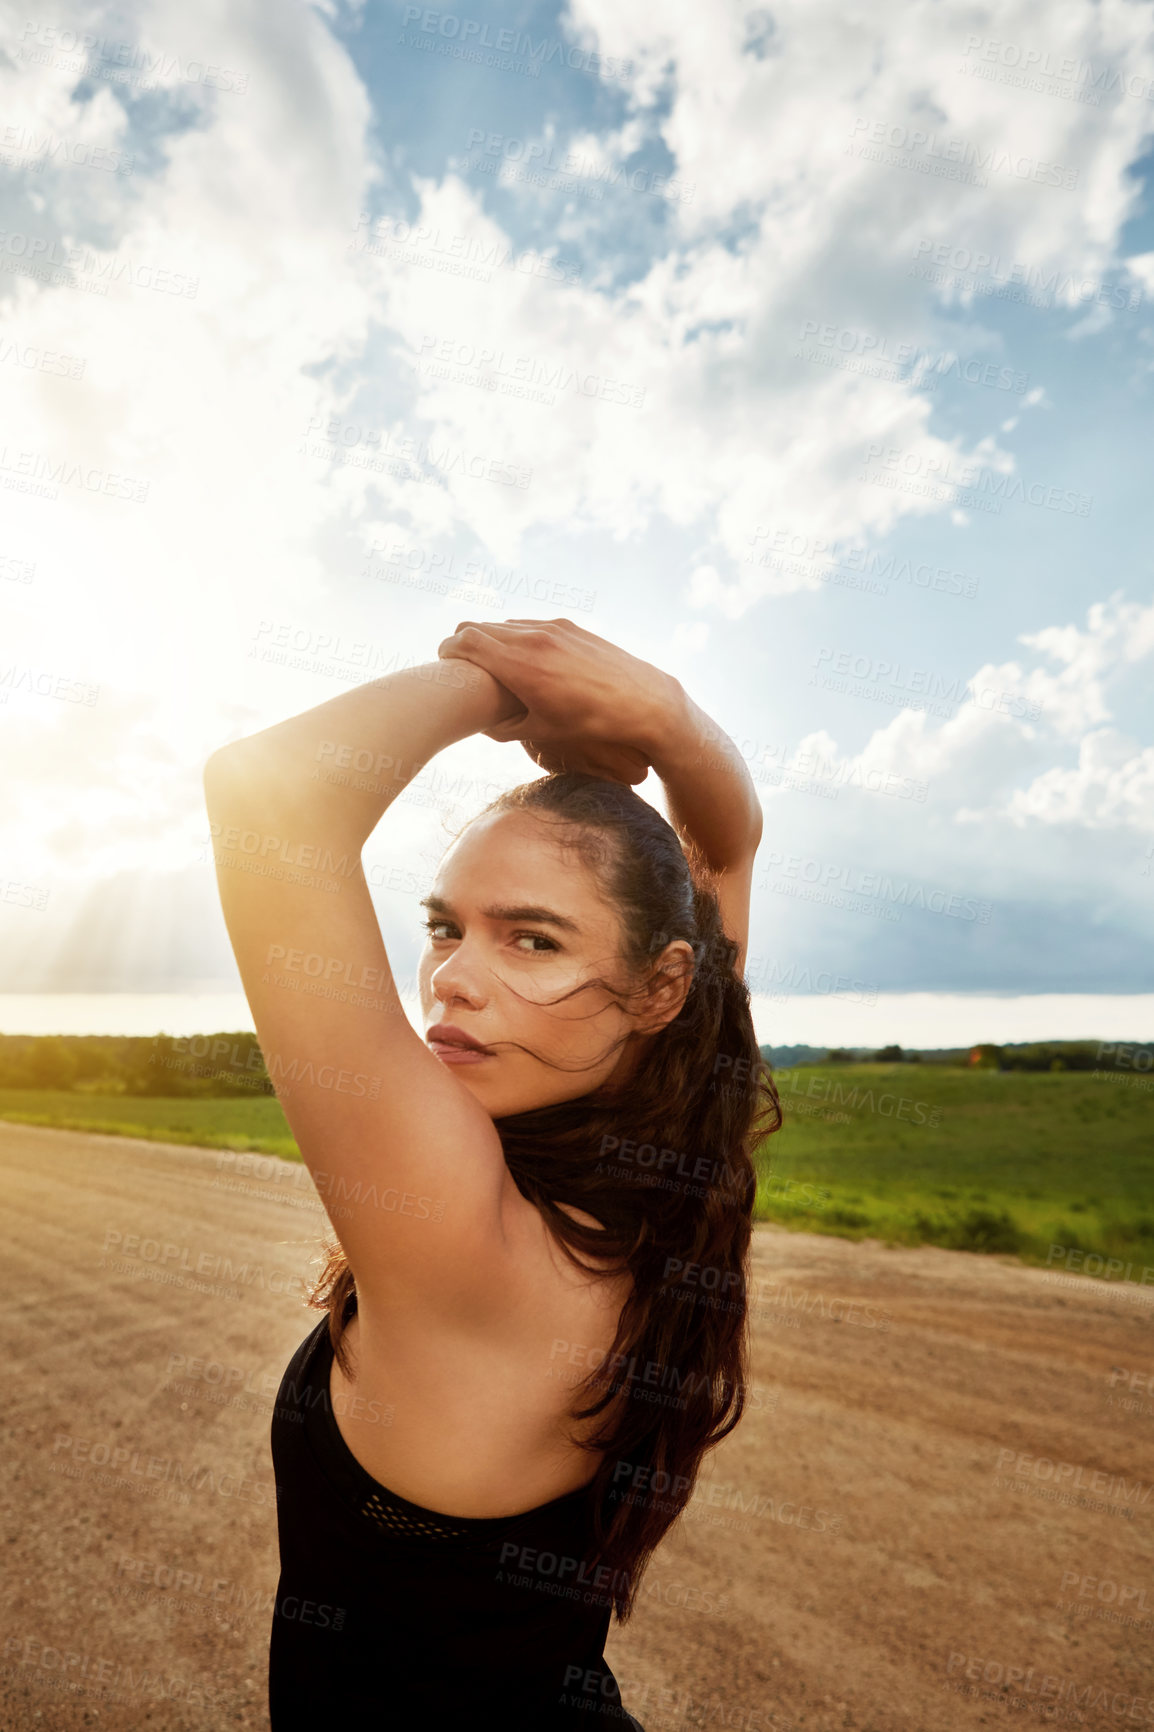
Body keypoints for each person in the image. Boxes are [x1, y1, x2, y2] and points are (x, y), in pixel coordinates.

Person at [203, 616, 781, 1728]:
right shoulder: (666, 1166)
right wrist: (662, 719)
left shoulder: (472, 1227)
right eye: (444, 926)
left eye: (531, 940)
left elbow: (265, 792)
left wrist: (493, 680)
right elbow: (728, 847)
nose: (453, 979)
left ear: (659, 988)